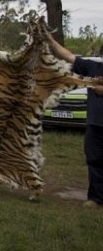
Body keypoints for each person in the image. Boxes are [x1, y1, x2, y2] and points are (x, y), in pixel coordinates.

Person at [46, 32, 103, 208]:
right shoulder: (93, 68)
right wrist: (50, 40)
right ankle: (96, 198)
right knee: (94, 160)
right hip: (95, 124)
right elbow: (68, 56)